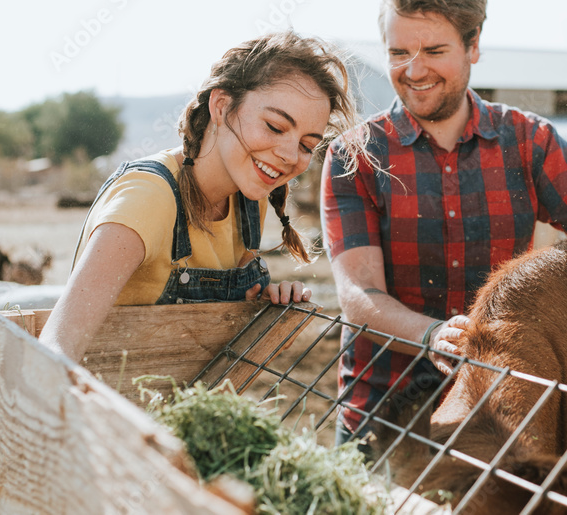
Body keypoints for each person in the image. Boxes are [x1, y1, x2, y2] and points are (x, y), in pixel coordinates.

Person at [320, 0, 567, 445]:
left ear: (474, 46)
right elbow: (359, 297)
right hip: (382, 412)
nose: (413, 69)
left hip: (497, 411)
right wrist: (432, 334)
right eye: (398, 52)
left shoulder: (529, 141)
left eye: (434, 51)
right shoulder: (355, 155)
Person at [41, 31, 364, 363]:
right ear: (221, 107)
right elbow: (57, 343)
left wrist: (264, 310)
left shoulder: (248, 201)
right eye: (275, 126)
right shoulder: (148, 198)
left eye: (306, 145)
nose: (288, 154)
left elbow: (217, 334)